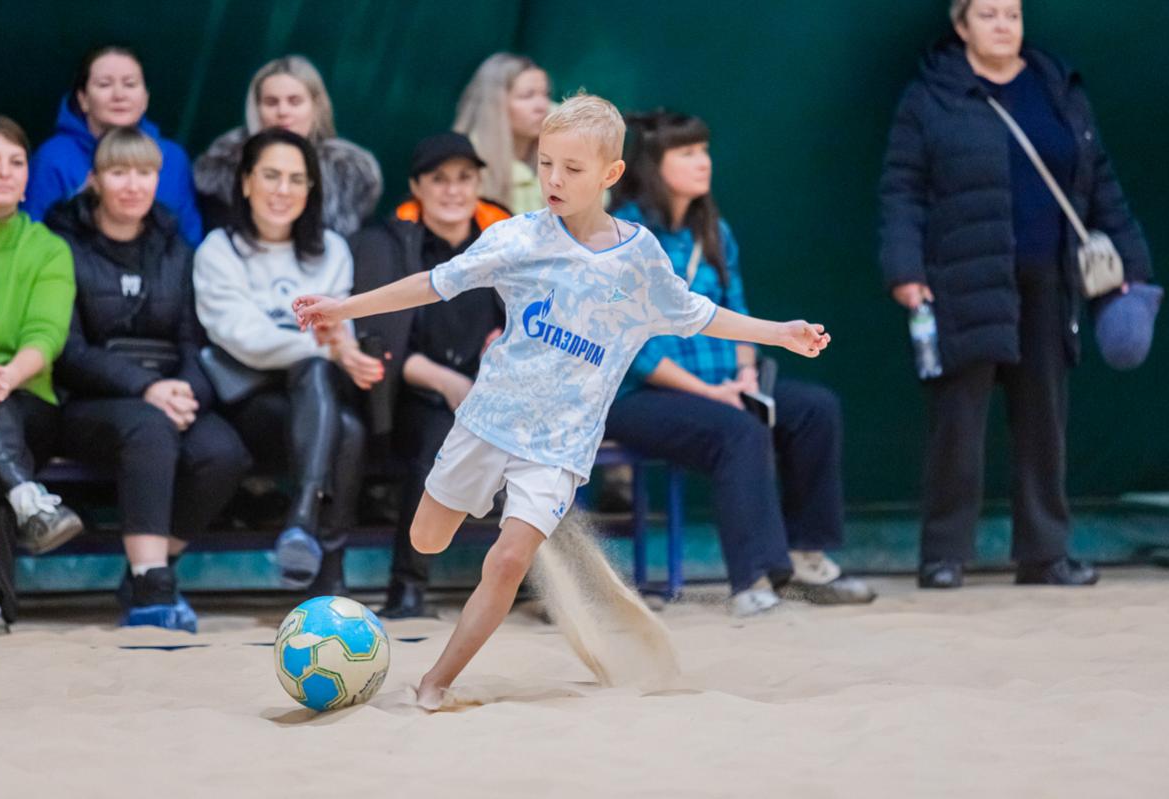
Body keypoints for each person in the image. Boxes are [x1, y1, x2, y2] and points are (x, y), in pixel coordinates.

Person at [295, 94, 831, 710]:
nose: (554, 178)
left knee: (507, 561)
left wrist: (778, 332)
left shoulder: (640, 259)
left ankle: (436, 681)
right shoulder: (517, 236)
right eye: (546, 163)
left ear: (611, 173)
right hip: (488, 421)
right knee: (426, 540)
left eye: (572, 168)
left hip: (559, 447)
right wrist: (344, 307)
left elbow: (697, 313)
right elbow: (432, 285)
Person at [879, 0, 1152, 588]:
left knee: (1044, 420)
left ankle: (1045, 554)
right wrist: (904, 268)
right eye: (988, 15)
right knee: (958, 420)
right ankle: (944, 555)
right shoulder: (931, 96)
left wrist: (1132, 264)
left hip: (1050, 278)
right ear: (961, 26)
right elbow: (902, 188)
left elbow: (1099, 178)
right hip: (963, 278)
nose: (1003, 25)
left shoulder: (1057, 87)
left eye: (1012, 14)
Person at [607, 111, 874, 615]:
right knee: (739, 431)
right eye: (687, 152)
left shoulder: (715, 231)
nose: (703, 162)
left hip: (723, 384)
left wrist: (746, 377)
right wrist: (711, 394)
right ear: (653, 165)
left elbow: (738, 309)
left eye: (704, 150)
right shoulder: (624, 234)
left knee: (814, 409)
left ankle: (807, 557)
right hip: (638, 397)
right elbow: (631, 345)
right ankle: (753, 580)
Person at [45, 127, 251, 631]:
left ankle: (151, 571)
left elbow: (192, 342)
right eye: (119, 172)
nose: (133, 185)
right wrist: (145, 388)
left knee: (224, 452)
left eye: (145, 172)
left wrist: (185, 393)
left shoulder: (176, 247)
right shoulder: (62, 245)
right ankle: (152, 594)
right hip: (88, 402)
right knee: (149, 427)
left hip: (167, 395)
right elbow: (68, 351)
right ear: (95, 180)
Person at [194, 128, 378, 593]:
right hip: (248, 402)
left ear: (311, 189)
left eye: (297, 179)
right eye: (271, 176)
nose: (283, 190)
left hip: (314, 402)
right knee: (336, 410)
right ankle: (326, 571)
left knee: (348, 426)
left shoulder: (332, 250)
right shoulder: (218, 249)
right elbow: (245, 339)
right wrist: (330, 349)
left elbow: (340, 330)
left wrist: (337, 348)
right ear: (246, 182)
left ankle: (304, 534)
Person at [347, 132, 508, 619]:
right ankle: (407, 587)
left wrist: (506, 345)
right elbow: (383, 343)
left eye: (465, 178)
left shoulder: (504, 237)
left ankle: (539, 586)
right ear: (417, 187)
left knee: (540, 457)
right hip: (415, 394)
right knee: (437, 447)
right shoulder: (387, 244)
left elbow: (536, 317)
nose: (453, 190)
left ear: (479, 184)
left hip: (494, 392)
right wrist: (447, 382)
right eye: (439, 179)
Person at [0, 116, 81, 636]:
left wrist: (3, 377)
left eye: (16, 162)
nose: (4, 172)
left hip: (25, 396)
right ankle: (26, 499)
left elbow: (46, 333)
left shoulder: (47, 248)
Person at [23, 46, 202, 245]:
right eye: (105, 84)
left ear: (145, 98)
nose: (119, 95)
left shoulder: (172, 157)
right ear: (83, 99)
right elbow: (33, 237)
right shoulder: (54, 158)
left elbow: (190, 238)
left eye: (130, 84)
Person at [194, 55, 383, 237]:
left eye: (295, 101)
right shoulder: (225, 164)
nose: (283, 111)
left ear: (316, 106)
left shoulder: (349, 172)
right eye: (271, 102)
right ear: (256, 109)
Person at [453, 53, 551, 214]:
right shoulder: (467, 160)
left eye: (546, 94)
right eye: (527, 96)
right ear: (494, 105)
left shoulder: (559, 148)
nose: (542, 106)